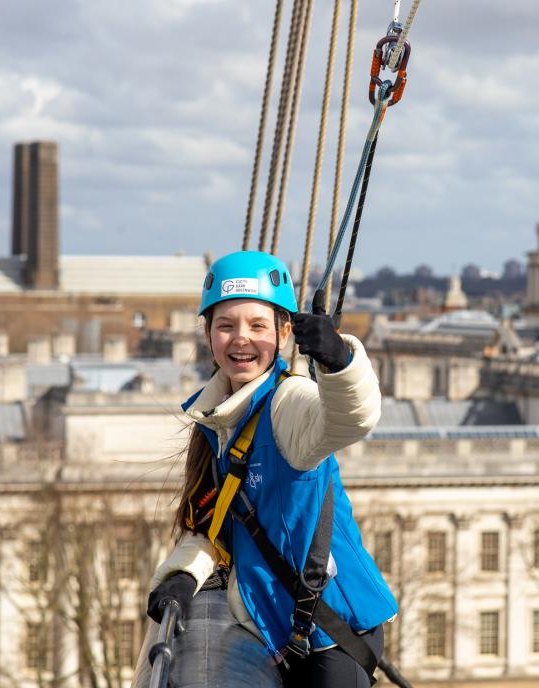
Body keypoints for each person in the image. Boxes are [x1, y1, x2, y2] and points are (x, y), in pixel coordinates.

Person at [133, 251, 396, 688]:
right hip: (279, 626)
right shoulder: (218, 421)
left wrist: (338, 362)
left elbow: (351, 418)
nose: (241, 339)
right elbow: (214, 526)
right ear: (207, 333)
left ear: (285, 331)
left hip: (334, 630)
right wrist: (183, 574)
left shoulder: (288, 403)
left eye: (258, 326)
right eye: (226, 325)